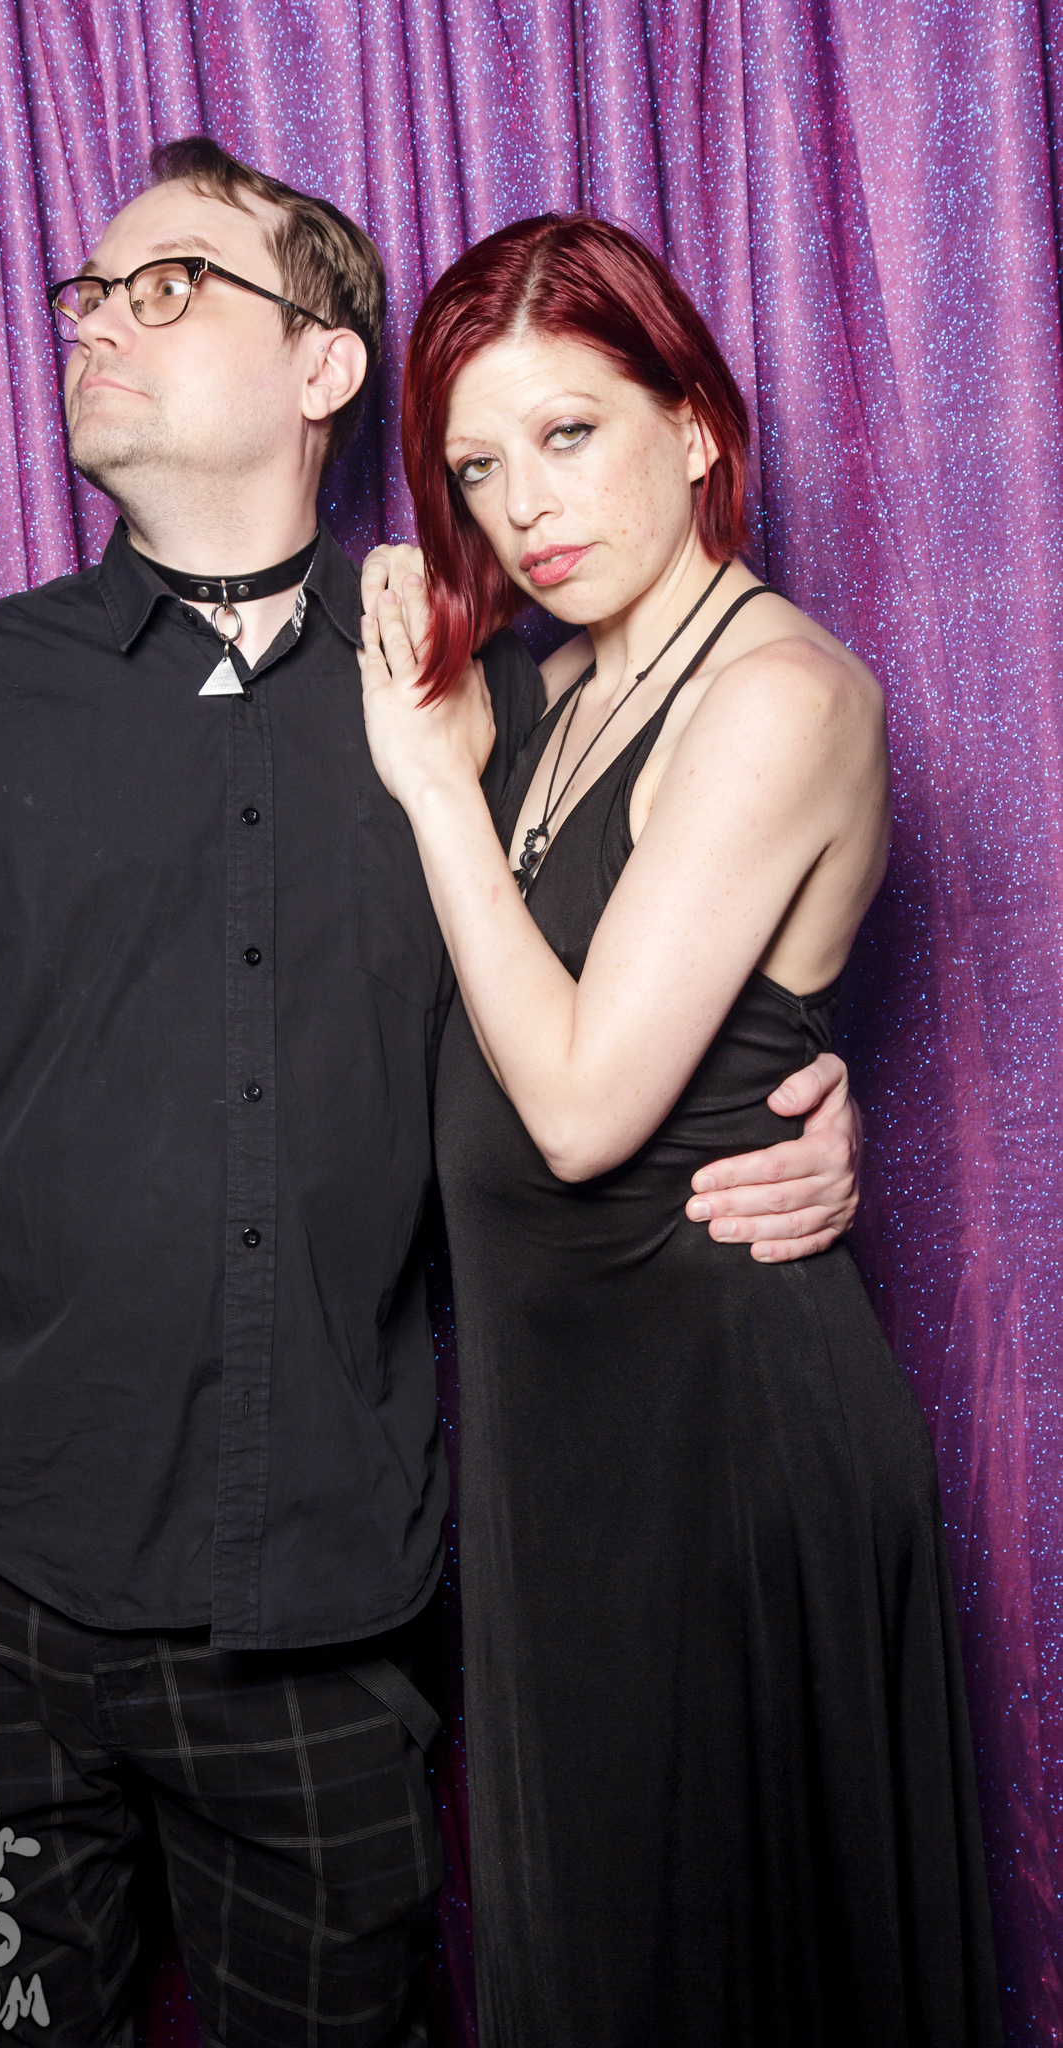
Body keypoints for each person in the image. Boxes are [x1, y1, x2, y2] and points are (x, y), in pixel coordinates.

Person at [0, 145, 860, 2048]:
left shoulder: (486, 712)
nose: (97, 324)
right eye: (85, 295)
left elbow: (616, 1030)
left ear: (324, 364)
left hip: (327, 1607)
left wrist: (795, 1115)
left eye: (166, 285)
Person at [358, 214, 1001, 2048]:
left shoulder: (777, 695)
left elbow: (576, 1113)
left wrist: (432, 795)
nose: (524, 508)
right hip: (565, 1445)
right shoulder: (553, 686)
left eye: (568, 434)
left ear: (696, 422)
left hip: (723, 1443)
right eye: (477, 469)